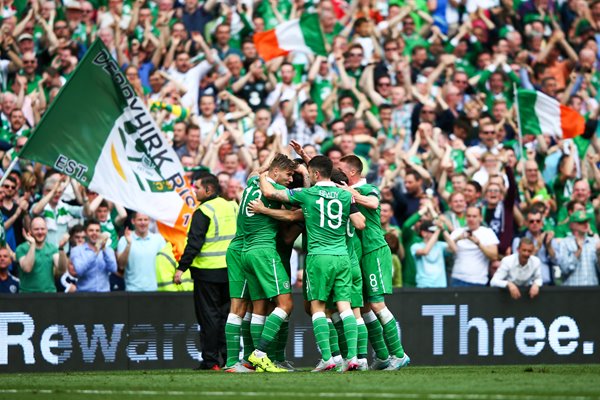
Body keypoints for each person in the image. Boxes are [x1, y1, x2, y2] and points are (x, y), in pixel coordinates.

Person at [259, 156, 365, 372]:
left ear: (315, 174)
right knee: (346, 307)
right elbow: (359, 223)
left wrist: (261, 174)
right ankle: (353, 358)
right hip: (342, 256)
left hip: (318, 257)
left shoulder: (306, 194)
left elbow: (270, 193)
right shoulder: (345, 195)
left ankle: (328, 358)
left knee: (317, 307)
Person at [224, 154, 297, 373]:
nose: (291, 179)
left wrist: (266, 167)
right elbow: (296, 212)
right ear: (275, 173)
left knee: (255, 307)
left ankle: (243, 361)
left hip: (241, 248)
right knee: (281, 305)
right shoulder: (273, 193)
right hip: (261, 250)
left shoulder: (251, 183)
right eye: (289, 174)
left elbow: (254, 174)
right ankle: (258, 355)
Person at [338, 154, 410, 371]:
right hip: (361, 254)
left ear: (351, 173)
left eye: (341, 169)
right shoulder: (344, 188)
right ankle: (382, 355)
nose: (338, 172)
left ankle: (399, 354)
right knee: (367, 306)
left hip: (375, 251)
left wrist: (351, 194)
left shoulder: (368, 188)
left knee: (377, 304)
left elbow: (374, 202)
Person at [174, 173, 237, 370]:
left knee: (209, 318)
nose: (195, 191)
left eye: (198, 188)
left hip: (207, 272)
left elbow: (194, 243)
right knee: (228, 317)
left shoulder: (203, 211)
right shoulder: (233, 206)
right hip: (230, 271)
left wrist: (181, 268)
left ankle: (211, 362)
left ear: (209, 190)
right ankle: (229, 359)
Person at [16, 217, 69, 293]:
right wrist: (33, 244)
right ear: (30, 231)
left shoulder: (52, 248)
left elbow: (62, 269)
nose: (40, 232)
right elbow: (27, 268)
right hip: (27, 296)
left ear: (47, 230)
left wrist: (61, 249)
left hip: (49, 295)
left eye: (42, 229)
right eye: (36, 229)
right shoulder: (21, 248)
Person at [450, 206, 499, 286]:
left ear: (480, 218)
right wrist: (457, 239)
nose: (471, 219)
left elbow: (494, 256)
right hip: (457, 278)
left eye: (474, 216)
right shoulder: (457, 232)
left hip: (478, 280)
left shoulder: (487, 232)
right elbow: (447, 251)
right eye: (468, 216)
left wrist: (478, 243)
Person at [117, 212, 165, 291]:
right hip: (132, 290)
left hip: (154, 290)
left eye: (145, 220)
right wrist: (128, 244)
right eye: (139, 220)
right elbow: (121, 265)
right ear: (133, 221)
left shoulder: (159, 240)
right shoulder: (124, 240)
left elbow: (164, 264)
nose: (143, 223)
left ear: (149, 221)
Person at [70, 219, 117, 293]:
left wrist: (104, 249)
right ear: (86, 233)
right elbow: (79, 271)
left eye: (97, 231)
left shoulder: (108, 250)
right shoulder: (76, 250)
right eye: (91, 230)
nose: (94, 233)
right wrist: (95, 251)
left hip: (104, 294)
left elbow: (113, 269)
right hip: (84, 294)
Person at [557, 211, 600, 286]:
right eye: (581, 222)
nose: (586, 224)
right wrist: (578, 252)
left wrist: (599, 254)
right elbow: (564, 269)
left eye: (586, 221)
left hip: (592, 289)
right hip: (572, 290)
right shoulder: (565, 243)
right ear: (572, 225)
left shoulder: (595, 242)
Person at [411, 220, 457, 288]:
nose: (435, 233)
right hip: (424, 285)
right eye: (432, 231)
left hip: (441, 285)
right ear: (423, 233)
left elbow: (454, 249)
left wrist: (443, 229)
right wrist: (438, 231)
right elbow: (425, 251)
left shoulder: (440, 245)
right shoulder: (415, 246)